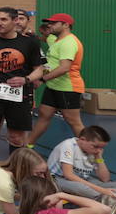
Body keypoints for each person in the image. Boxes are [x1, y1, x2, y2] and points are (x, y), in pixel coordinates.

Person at [0, 6, 44, 170]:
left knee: (17, 137)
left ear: (15, 20)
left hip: (19, 96)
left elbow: (39, 69)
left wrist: (26, 79)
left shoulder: (30, 42)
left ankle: (16, 173)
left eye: (3, 19)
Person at [28, 13, 84, 146]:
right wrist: (35, 36)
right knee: (44, 116)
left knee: (74, 121)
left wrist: (42, 79)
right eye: (50, 23)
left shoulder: (69, 43)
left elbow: (64, 68)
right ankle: (28, 145)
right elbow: (45, 41)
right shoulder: (56, 40)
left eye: (54, 23)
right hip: (53, 87)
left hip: (68, 88)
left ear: (65, 25)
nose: (50, 25)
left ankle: (93, 153)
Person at [47, 126, 116, 200]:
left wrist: (99, 157)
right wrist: (101, 190)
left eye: (101, 148)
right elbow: (69, 175)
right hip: (59, 179)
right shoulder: (68, 145)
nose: (98, 150)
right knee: (81, 188)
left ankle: (107, 198)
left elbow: (105, 179)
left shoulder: (94, 152)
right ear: (82, 139)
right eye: (96, 147)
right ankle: (107, 198)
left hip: (84, 180)